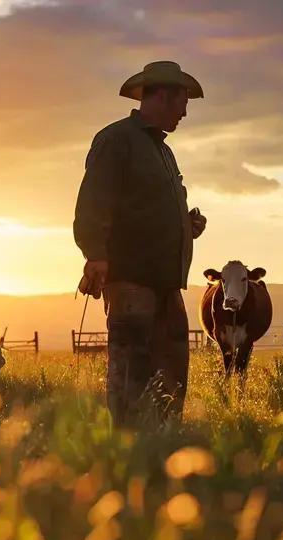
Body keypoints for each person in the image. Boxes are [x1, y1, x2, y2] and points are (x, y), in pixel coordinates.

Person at [73, 60, 208, 427]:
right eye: (182, 103)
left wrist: (185, 224)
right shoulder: (117, 140)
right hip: (132, 278)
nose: (184, 113)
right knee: (132, 364)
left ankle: (164, 438)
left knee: (171, 365)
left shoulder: (163, 151)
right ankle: (127, 440)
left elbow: (149, 208)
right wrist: (95, 255)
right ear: (162, 96)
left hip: (165, 280)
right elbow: (94, 201)